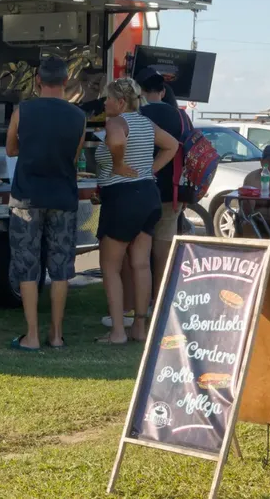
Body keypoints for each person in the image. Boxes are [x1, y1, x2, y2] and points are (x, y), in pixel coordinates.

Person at [5, 56, 86, 350]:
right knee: (61, 267)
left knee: (27, 265)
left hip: (27, 196)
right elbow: (75, 157)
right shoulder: (79, 116)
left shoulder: (22, 111)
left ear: (38, 80)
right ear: (65, 81)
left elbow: (10, 149)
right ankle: (56, 334)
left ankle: (32, 335)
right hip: (63, 196)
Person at [95, 78, 178, 345]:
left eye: (108, 98)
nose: (104, 103)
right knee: (141, 264)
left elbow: (117, 140)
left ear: (120, 102)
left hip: (122, 197)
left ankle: (118, 331)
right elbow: (172, 145)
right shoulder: (146, 123)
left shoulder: (116, 122)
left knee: (110, 266)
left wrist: (118, 163)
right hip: (148, 195)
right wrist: (150, 170)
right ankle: (140, 328)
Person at [136, 69, 192, 301]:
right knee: (164, 251)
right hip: (174, 191)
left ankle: (140, 299)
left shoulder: (137, 114)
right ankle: (161, 299)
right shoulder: (181, 116)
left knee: (139, 252)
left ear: (140, 91)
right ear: (162, 91)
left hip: (140, 190)